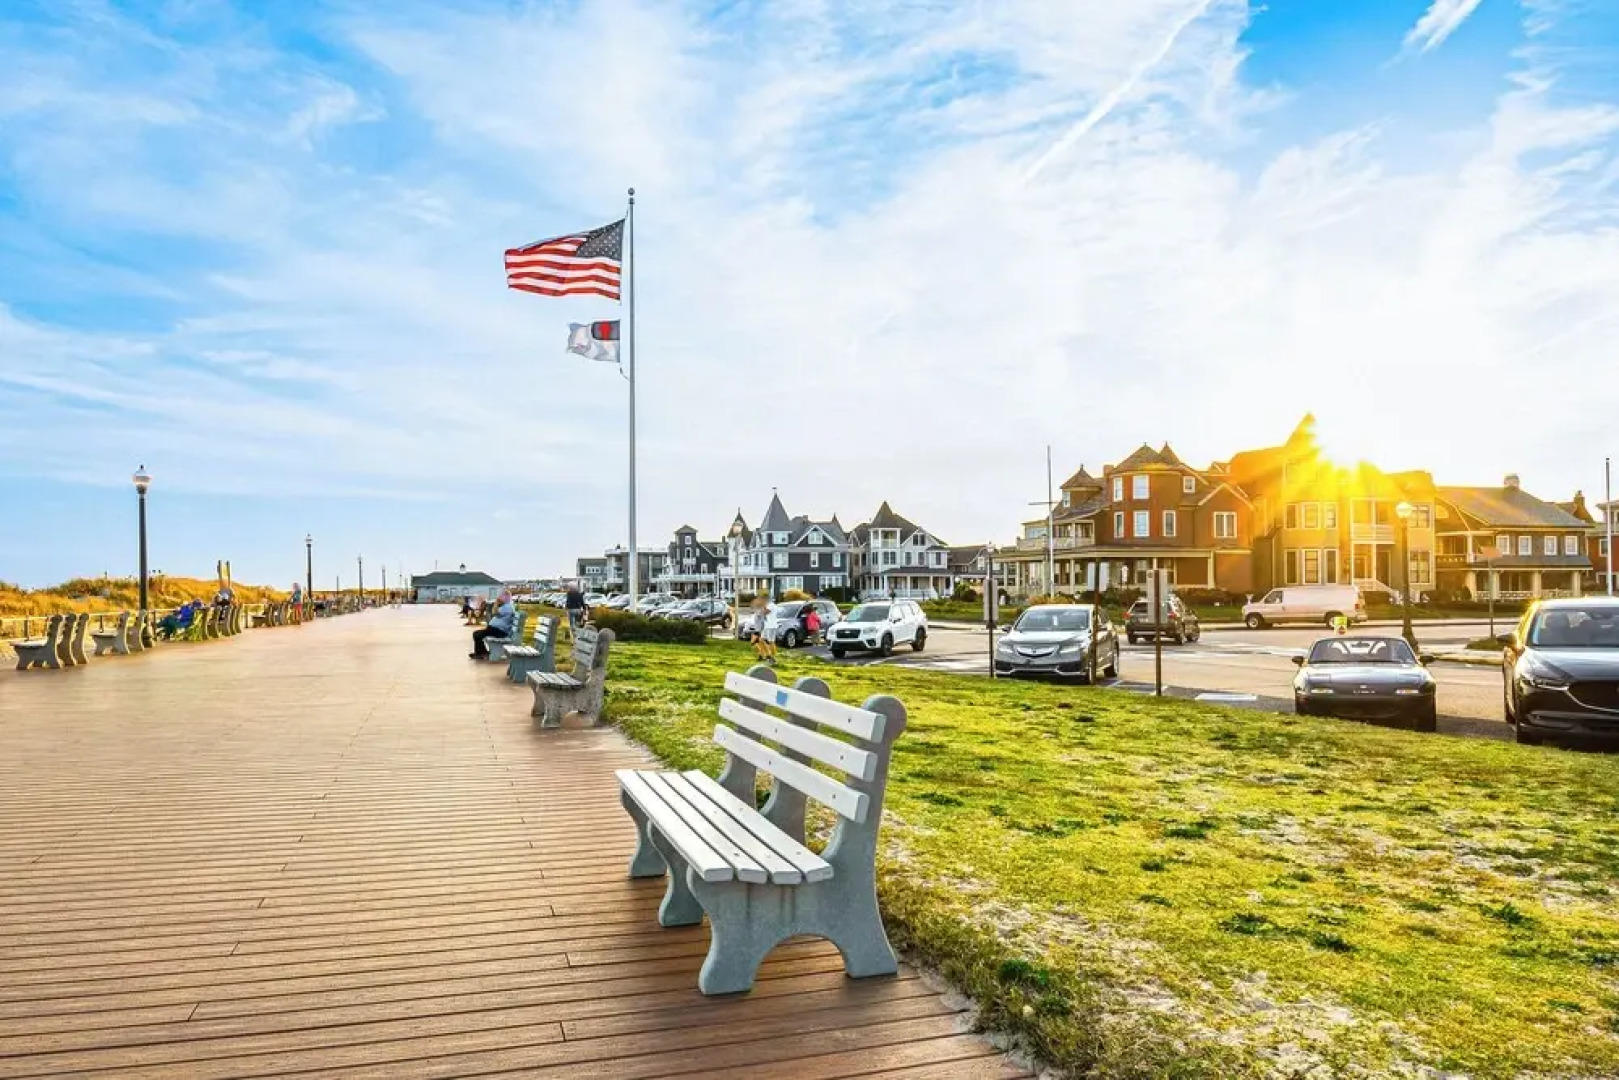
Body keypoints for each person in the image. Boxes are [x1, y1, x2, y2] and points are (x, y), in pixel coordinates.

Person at [471, 591, 517, 659]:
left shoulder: (507, 607)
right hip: (496, 629)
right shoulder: (505, 606)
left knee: (477, 634)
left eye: (500, 598)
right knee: (477, 634)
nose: (498, 599)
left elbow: (494, 612)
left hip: (499, 631)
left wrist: (496, 603)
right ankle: (481, 652)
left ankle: (481, 653)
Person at [748, 596, 776, 665]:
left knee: (757, 642)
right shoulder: (758, 609)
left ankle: (769, 656)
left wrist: (760, 630)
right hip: (758, 628)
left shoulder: (762, 609)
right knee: (758, 642)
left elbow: (763, 619)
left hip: (761, 628)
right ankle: (762, 655)